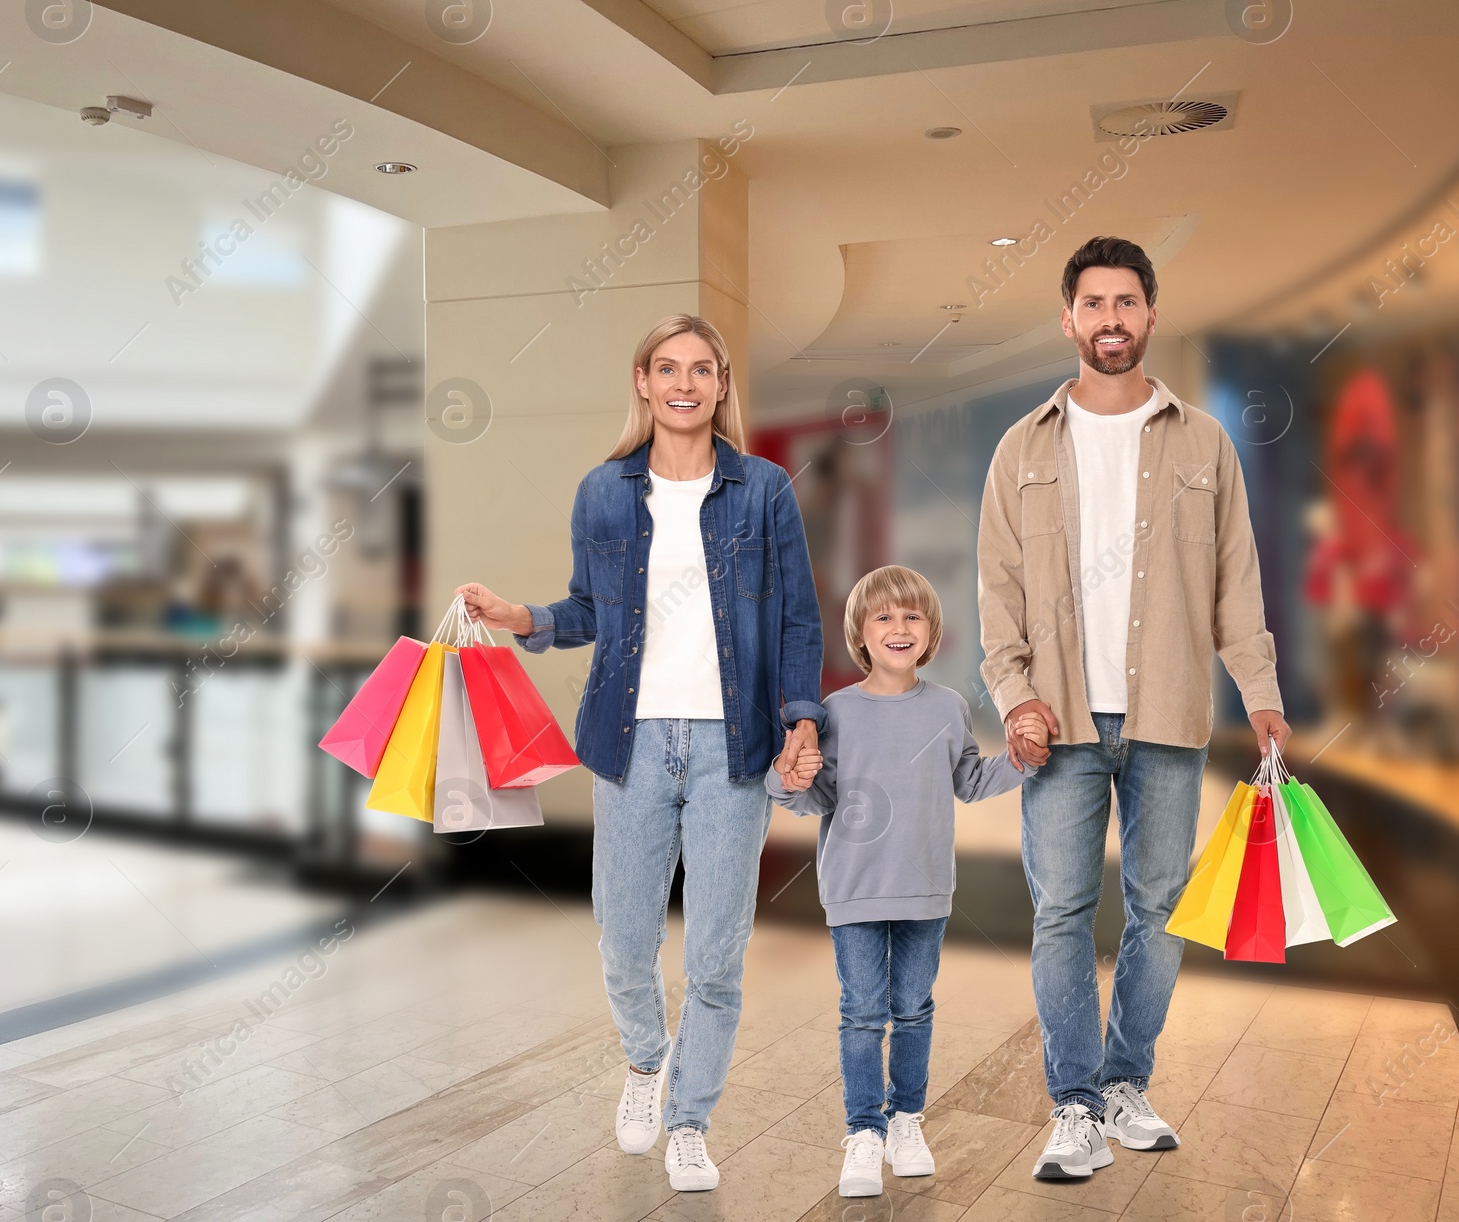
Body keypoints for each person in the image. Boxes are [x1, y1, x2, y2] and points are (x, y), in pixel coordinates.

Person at [455, 314, 825, 1192]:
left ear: (723, 384)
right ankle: (645, 1063)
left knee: (716, 956)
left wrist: (803, 720)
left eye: (702, 369)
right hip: (630, 738)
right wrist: (525, 620)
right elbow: (591, 608)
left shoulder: (766, 490)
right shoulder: (604, 492)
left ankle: (691, 1121)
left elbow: (799, 618)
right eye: (668, 368)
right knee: (623, 939)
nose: (685, 383)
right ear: (644, 382)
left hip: (735, 748)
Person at [977, 236, 1291, 1179]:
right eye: (1093, 304)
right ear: (1068, 317)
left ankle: (1125, 1083)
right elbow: (996, 588)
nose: (1110, 319)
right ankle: (1073, 1105)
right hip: (1061, 720)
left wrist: (1264, 695)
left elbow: (1238, 578)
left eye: (1127, 303)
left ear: (1151, 315)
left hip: (1168, 716)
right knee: (1062, 911)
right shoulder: (1022, 446)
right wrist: (1015, 694)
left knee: (1161, 910)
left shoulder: (1202, 441)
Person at [765, 565, 1050, 1197]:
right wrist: (789, 779)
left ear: (932, 633)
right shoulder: (832, 712)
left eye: (913, 616)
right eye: (884, 617)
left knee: (914, 1009)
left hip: (926, 889)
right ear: (860, 635)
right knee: (862, 1013)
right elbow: (815, 800)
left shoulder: (949, 708)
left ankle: (905, 1120)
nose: (900, 627)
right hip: (854, 888)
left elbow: (971, 781)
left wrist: (1021, 764)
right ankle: (864, 1132)